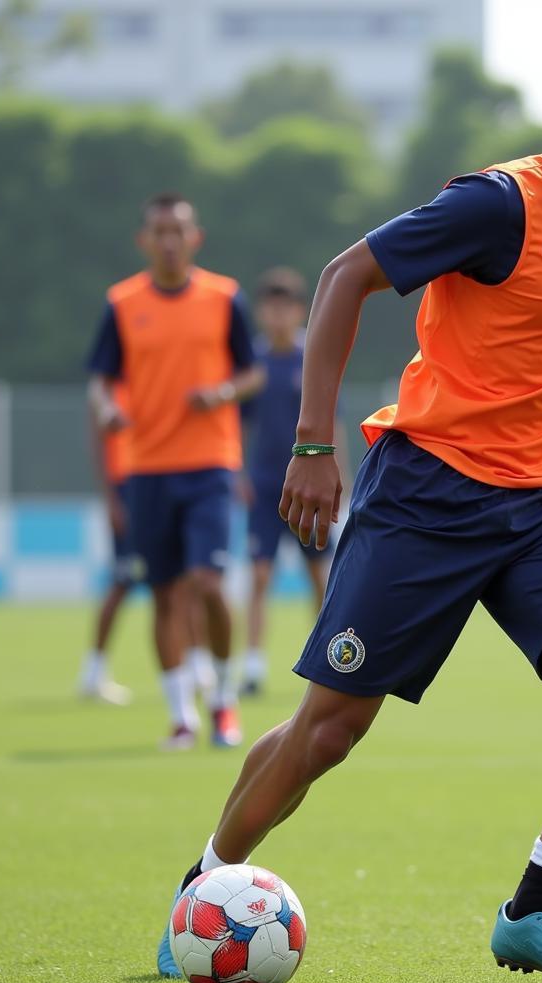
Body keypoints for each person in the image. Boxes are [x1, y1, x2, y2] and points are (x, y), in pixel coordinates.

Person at [157, 16, 542, 983]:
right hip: (428, 486)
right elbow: (348, 276)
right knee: (330, 729)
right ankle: (207, 888)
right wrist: (312, 442)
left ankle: (535, 909)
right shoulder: (498, 205)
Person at [86, 193, 263, 750]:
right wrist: (107, 407)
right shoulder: (122, 303)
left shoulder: (224, 297)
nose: (168, 240)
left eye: (178, 231)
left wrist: (224, 392)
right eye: (159, 231)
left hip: (210, 463)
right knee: (162, 595)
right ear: (144, 240)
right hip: (146, 470)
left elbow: (253, 371)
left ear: (195, 238)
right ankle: (181, 715)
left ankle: (223, 703)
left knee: (209, 584)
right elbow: (97, 378)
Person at [239, 268, 342, 697]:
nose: (278, 315)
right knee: (260, 576)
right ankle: (252, 667)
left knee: (319, 577)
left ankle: (321, 663)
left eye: (286, 307)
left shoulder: (310, 357)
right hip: (264, 488)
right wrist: (237, 473)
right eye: (271, 307)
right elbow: (238, 427)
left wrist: (342, 480)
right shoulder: (252, 365)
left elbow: (330, 422)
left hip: (309, 487)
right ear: (262, 312)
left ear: (300, 311)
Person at [76, 380, 136, 706]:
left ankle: (197, 668)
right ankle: (93, 671)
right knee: (122, 580)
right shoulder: (106, 384)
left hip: (157, 480)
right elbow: (98, 441)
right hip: (128, 488)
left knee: (181, 581)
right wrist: (111, 499)